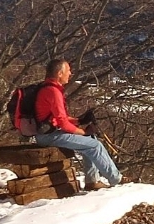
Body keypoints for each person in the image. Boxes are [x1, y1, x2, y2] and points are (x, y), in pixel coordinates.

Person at [33, 59, 122, 190]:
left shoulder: (47, 88)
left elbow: (59, 118)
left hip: (47, 133)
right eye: (68, 71)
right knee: (95, 145)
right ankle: (116, 180)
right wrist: (83, 132)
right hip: (48, 136)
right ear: (59, 73)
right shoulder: (53, 91)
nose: (70, 73)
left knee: (90, 140)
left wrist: (79, 121)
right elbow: (62, 123)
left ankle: (92, 181)